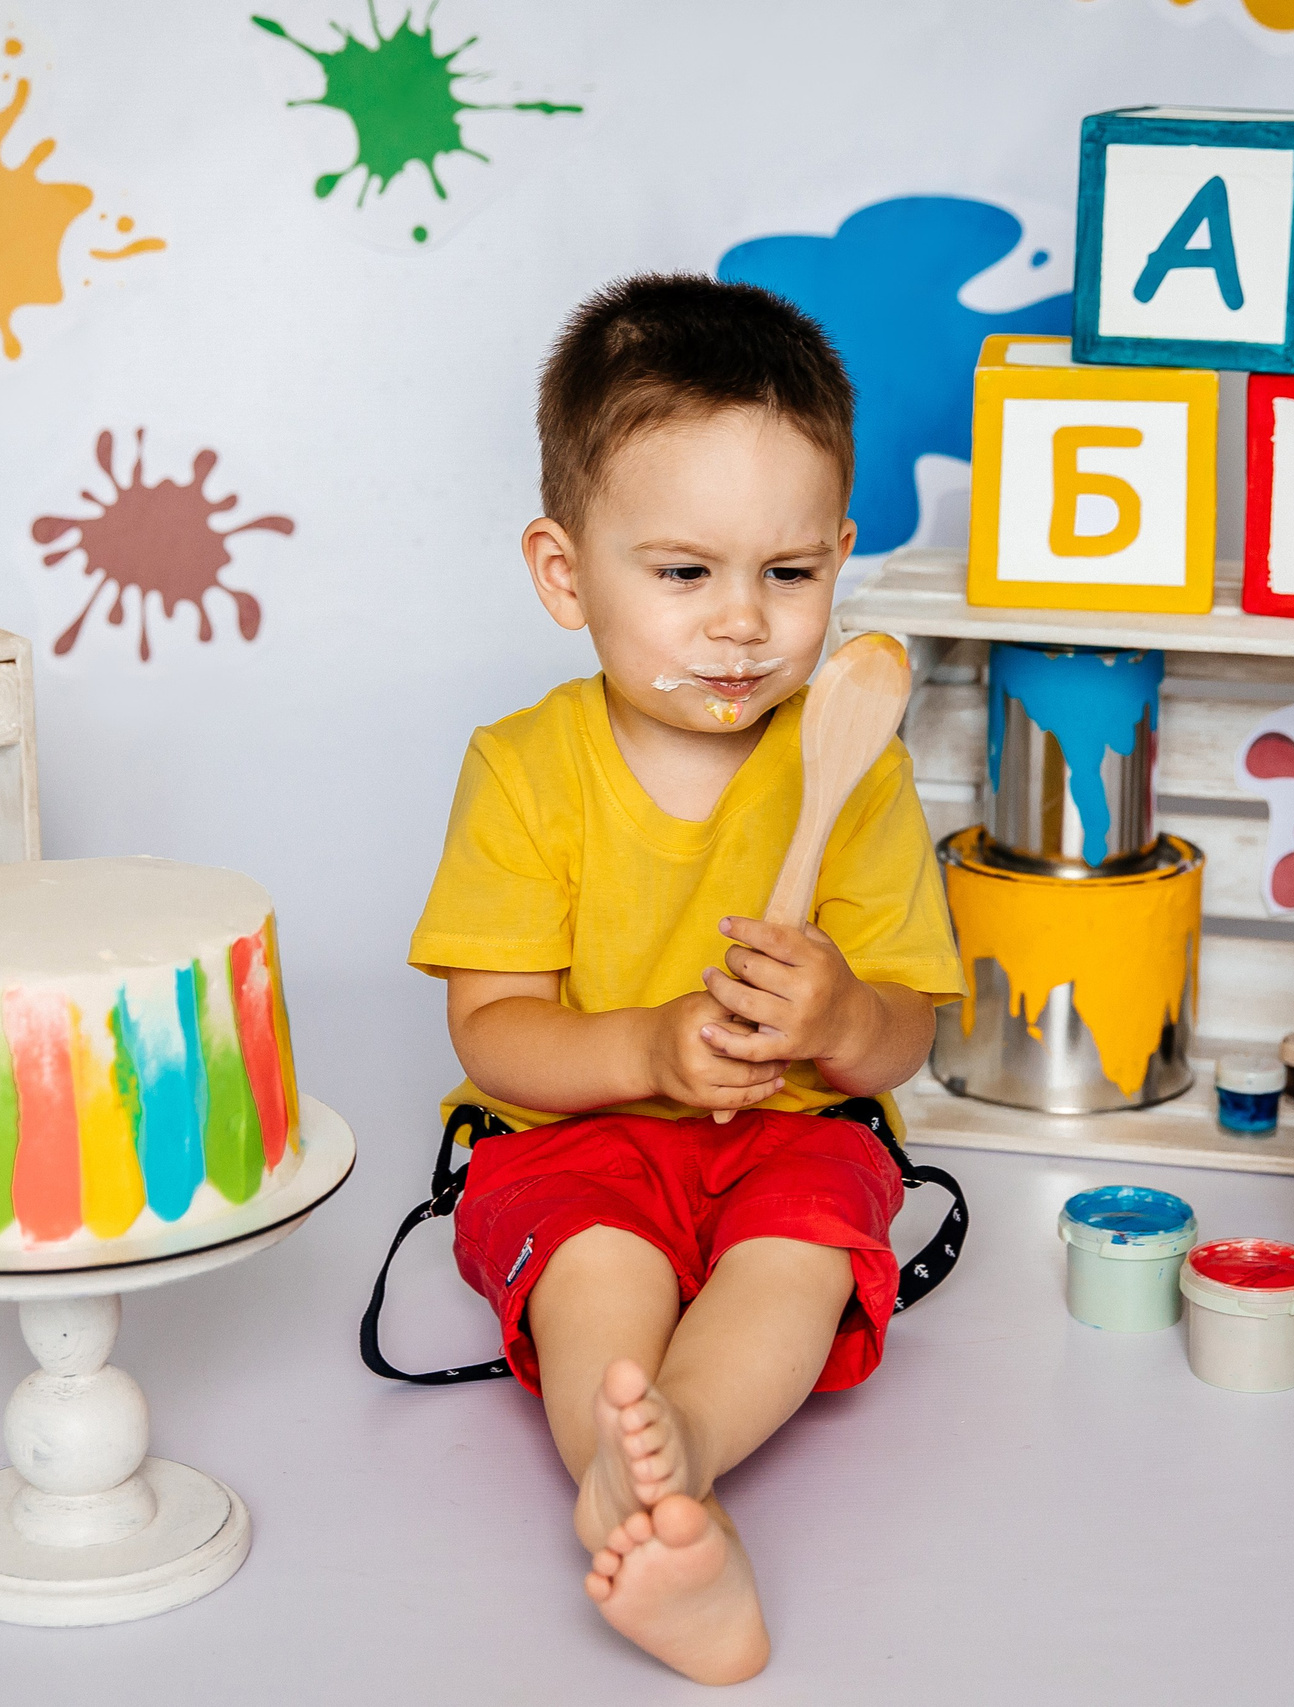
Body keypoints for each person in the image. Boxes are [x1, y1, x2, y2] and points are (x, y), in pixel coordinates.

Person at [407, 274, 962, 1683]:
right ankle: (625, 1478)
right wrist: (647, 1053)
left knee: (803, 1244)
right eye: (683, 573)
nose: (741, 627)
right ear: (563, 571)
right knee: (597, 1268)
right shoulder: (525, 771)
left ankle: (685, 1457)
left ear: (840, 557)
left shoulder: (854, 765)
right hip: (575, 1140)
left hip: (787, 1136)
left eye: (788, 576)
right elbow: (497, 1034)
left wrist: (841, 1017)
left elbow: (903, 1038)